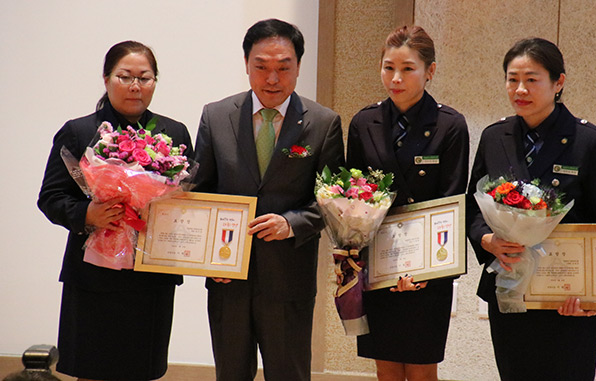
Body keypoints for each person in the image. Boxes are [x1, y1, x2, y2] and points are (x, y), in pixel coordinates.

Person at [192, 18, 344, 381]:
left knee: (289, 374)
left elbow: (332, 201)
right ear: (247, 64)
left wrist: (290, 223)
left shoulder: (323, 123)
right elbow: (199, 193)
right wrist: (209, 258)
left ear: (298, 67)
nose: (272, 78)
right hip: (228, 278)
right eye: (261, 67)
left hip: (288, 279)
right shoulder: (216, 116)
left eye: (283, 68)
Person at [37, 41, 194, 381]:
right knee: (93, 369)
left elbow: (187, 199)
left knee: (142, 370)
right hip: (94, 277)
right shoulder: (79, 132)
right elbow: (50, 197)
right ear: (106, 79)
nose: (135, 86)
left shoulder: (174, 132)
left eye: (145, 77)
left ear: (155, 82)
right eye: (125, 76)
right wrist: (87, 215)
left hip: (151, 276)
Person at [466, 37, 596, 380]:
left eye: (532, 79)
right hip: (509, 295)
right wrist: (487, 240)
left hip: (567, 300)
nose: (520, 89)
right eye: (512, 78)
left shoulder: (589, 142)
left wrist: (591, 296)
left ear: (558, 82)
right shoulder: (494, 136)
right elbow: (471, 208)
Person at [346, 25, 469, 381]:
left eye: (408, 68)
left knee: (420, 367)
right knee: (385, 367)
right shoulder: (364, 122)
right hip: (379, 265)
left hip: (426, 270)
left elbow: (451, 202)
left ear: (429, 71)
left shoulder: (450, 125)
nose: (395, 78)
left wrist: (425, 269)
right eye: (388, 67)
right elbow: (352, 198)